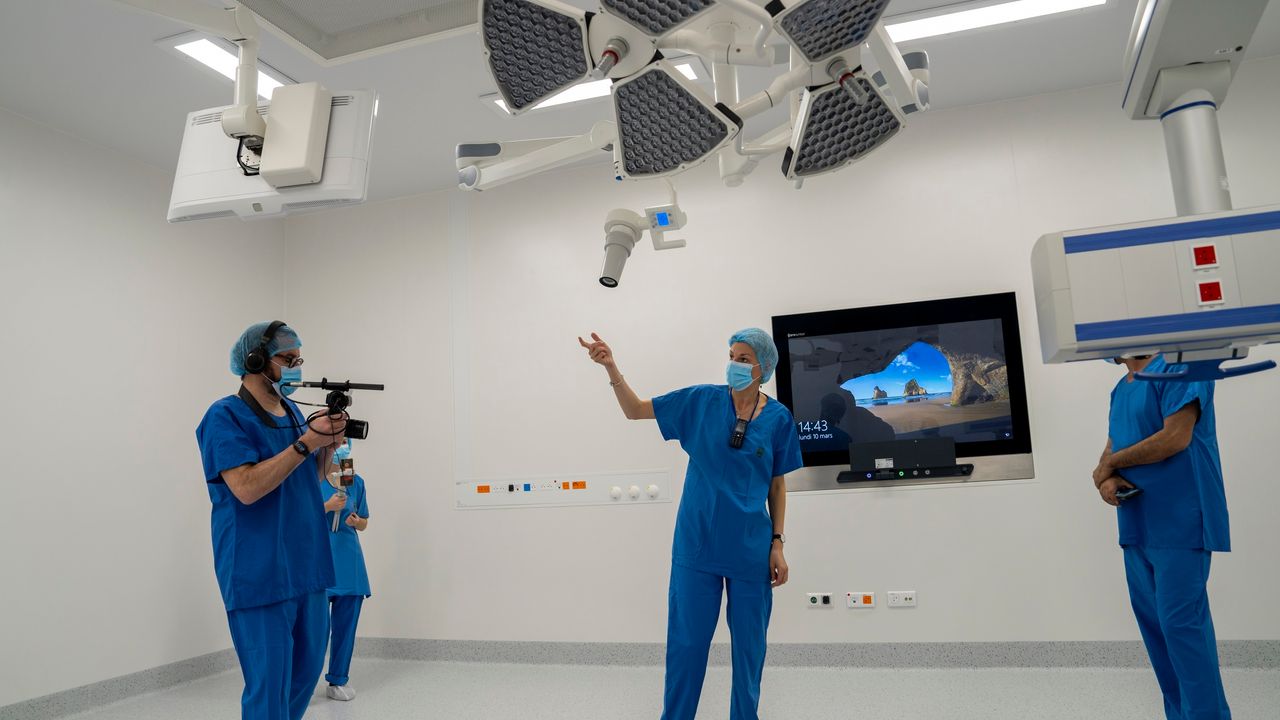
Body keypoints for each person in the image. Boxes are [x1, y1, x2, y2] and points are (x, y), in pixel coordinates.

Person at [578, 328, 803, 720]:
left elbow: (777, 483)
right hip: (696, 548)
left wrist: (778, 543)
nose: (734, 363)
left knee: (749, 653)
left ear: (764, 368)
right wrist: (611, 368)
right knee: (686, 648)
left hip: (750, 550)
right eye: (732, 354)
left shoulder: (779, 419)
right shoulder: (700, 401)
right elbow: (635, 410)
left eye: (745, 358)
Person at [196, 321, 347, 720]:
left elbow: (305, 479)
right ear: (255, 360)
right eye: (287, 358)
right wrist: (306, 443)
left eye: (300, 358)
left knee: (305, 674)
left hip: (305, 565)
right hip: (258, 570)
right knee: (270, 685)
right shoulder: (224, 416)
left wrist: (325, 449)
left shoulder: (295, 412)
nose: (296, 366)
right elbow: (245, 487)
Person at [1092, 354, 1231, 720]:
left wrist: (1111, 464)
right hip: (1137, 522)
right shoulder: (1120, 391)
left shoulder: (1183, 368)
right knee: (1156, 630)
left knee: (1181, 627)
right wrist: (1105, 478)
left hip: (1181, 517)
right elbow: (1111, 449)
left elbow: (1175, 437)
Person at [319, 441, 372, 702]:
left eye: (343, 442)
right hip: (318, 561)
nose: (339, 446)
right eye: (334, 442)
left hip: (349, 562)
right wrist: (327, 507)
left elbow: (364, 521)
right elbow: (296, 517)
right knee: (313, 629)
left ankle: (338, 680)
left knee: (345, 627)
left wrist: (356, 521)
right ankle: (300, 683)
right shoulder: (308, 479)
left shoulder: (354, 480)